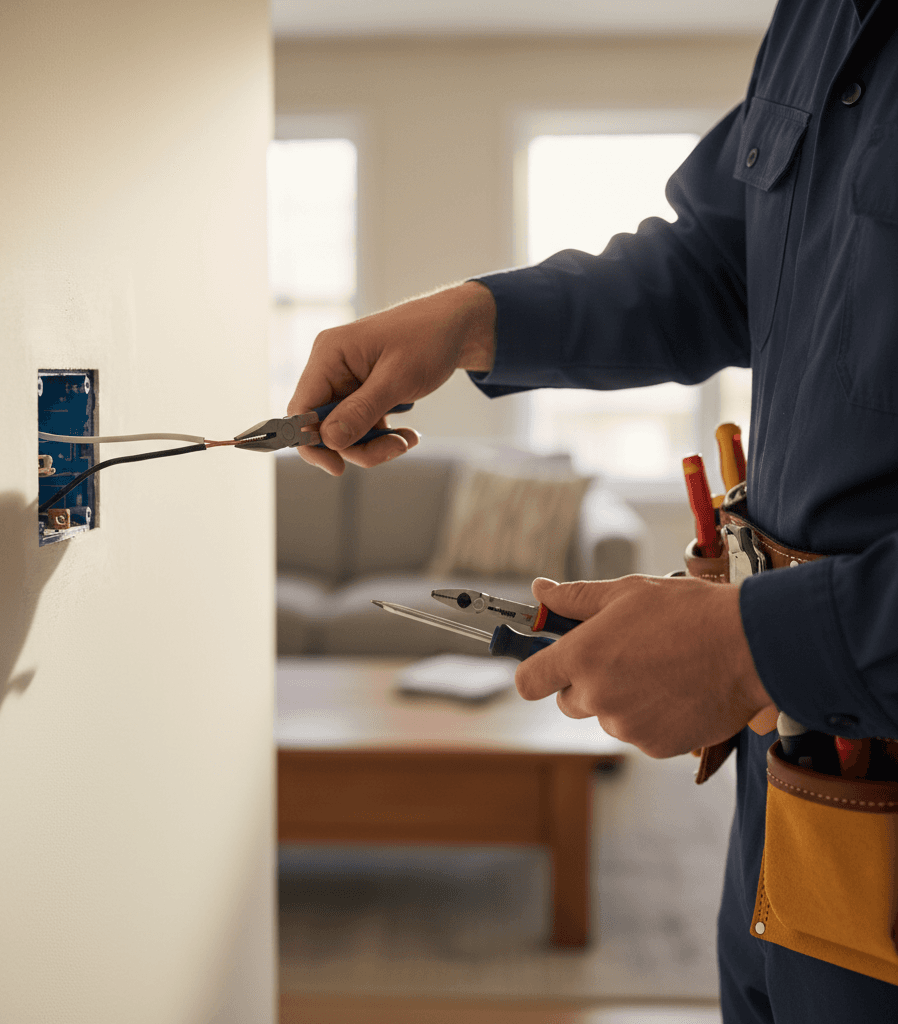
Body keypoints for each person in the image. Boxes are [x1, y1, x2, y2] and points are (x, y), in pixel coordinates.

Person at [287, 0, 898, 1019]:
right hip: (790, 793)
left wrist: (762, 644)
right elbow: (720, 264)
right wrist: (476, 318)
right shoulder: (820, 15)